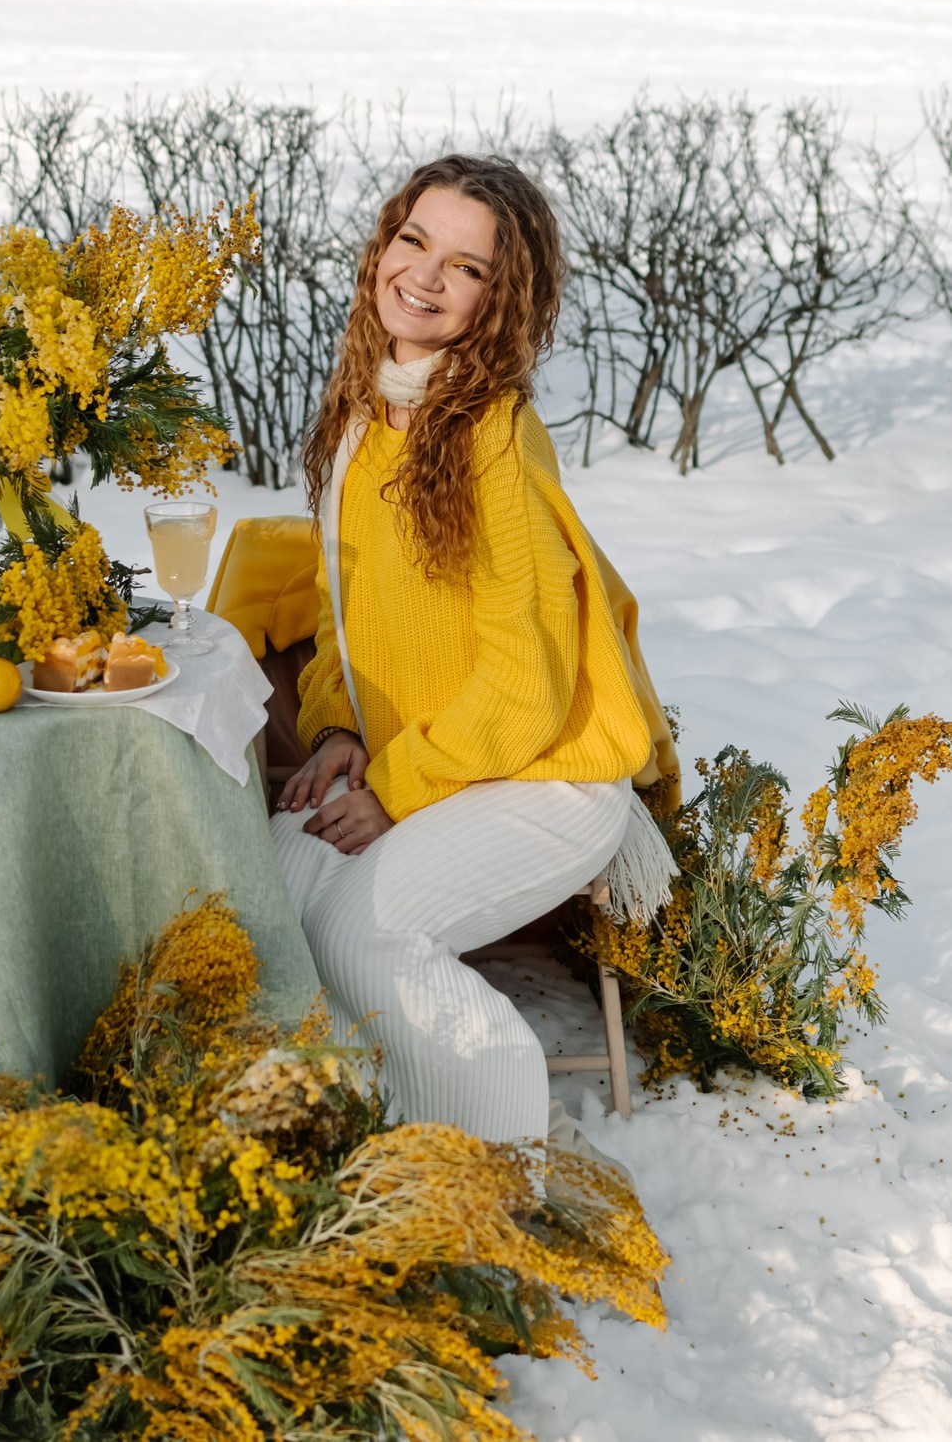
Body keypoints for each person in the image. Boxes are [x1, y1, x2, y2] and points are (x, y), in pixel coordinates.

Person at [269, 154, 677, 1157]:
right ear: (381, 248)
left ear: (500, 302)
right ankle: (359, 1142)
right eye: (413, 240)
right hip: (439, 758)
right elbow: (342, 611)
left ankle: (496, 1167)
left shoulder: (492, 435)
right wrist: (331, 728)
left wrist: (395, 785)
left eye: (467, 267)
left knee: (367, 934)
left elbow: (524, 686)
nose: (424, 274)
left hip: (542, 775)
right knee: (271, 881)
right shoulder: (369, 414)